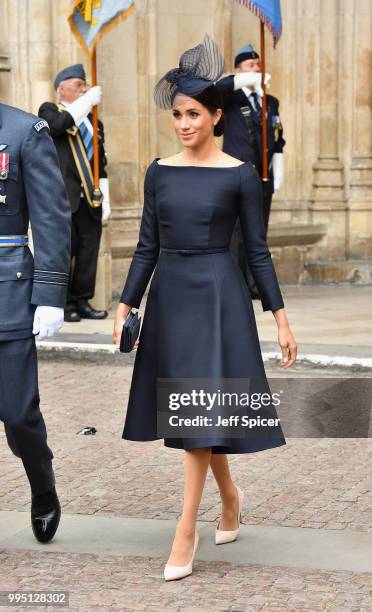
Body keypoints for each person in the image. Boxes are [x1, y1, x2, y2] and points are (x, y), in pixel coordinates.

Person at [113, 35, 297, 581]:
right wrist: (125, 304)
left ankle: (185, 528)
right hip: (171, 296)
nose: (184, 123)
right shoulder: (158, 171)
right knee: (199, 408)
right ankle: (231, 496)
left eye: (194, 113)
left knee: (200, 408)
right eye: (177, 114)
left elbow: (258, 252)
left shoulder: (241, 173)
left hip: (220, 295)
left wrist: (281, 317)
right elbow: (147, 244)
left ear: (216, 116)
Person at [0, 102, 71, 542]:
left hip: (7, 289)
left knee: (18, 415)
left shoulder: (26, 130)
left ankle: (42, 485)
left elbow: (51, 217)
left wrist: (49, 294)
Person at [38, 63, 110, 322]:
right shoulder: (49, 110)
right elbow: (58, 126)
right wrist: (87, 101)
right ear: (61, 89)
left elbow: (100, 162)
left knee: (89, 253)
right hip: (62, 199)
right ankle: (64, 303)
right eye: (79, 85)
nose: (84, 89)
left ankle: (82, 300)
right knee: (64, 253)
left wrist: (106, 197)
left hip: (90, 199)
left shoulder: (94, 122)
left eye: (85, 85)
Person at [217, 44, 285, 298]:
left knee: (257, 232)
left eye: (258, 65)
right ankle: (236, 285)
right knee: (235, 234)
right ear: (238, 70)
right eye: (250, 66)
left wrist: (278, 168)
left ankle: (254, 284)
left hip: (262, 176)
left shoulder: (270, 101)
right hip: (236, 176)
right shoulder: (231, 98)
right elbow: (217, 88)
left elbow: (278, 136)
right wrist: (243, 80)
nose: (256, 69)